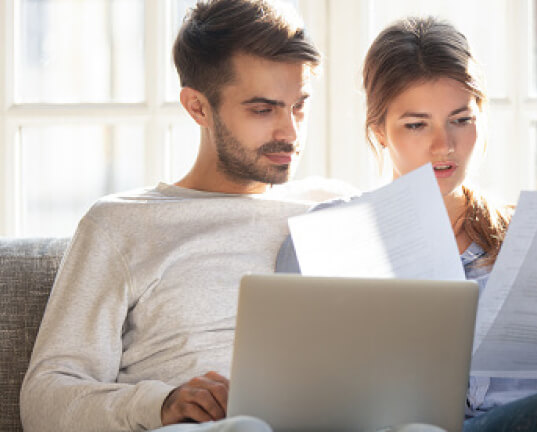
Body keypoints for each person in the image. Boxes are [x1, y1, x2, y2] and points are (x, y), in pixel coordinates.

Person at [276, 16, 537, 431]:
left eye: (461, 119)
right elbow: (295, 397)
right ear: (379, 131)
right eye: (416, 125)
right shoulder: (327, 239)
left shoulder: (534, 239)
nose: (444, 145)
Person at [19, 1, 330, 431]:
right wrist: (161, 404)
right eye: (263, 110)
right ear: (197, 107)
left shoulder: (335, 210)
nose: (290, 132)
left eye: (299, 105)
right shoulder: (121, 224)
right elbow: (45, 399)